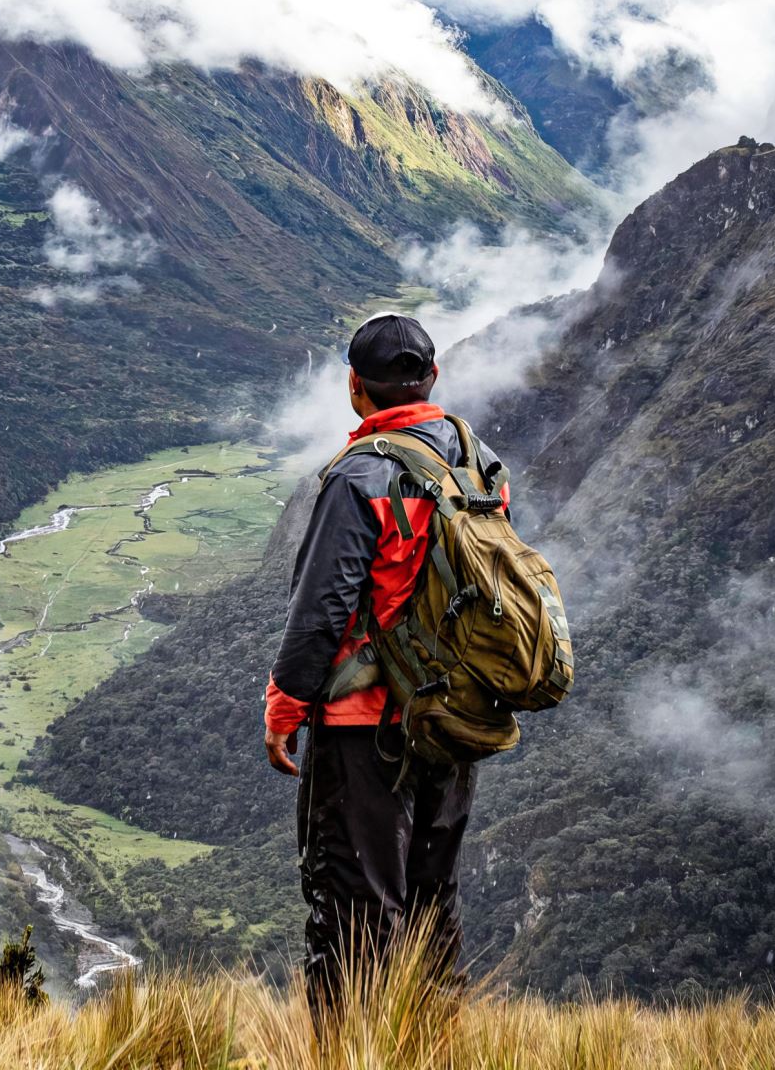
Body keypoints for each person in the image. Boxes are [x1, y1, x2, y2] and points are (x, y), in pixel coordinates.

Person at [263, 311, 507, 1025]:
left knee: (355, 906)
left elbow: (321, 613)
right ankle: (430, 1041)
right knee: (433, 898)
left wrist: (284, 711)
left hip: (365, 728)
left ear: (354, 388)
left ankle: (352, 1049)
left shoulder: (359, 476)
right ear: (431, 379)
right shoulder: (475, 462)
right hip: (453, 718)